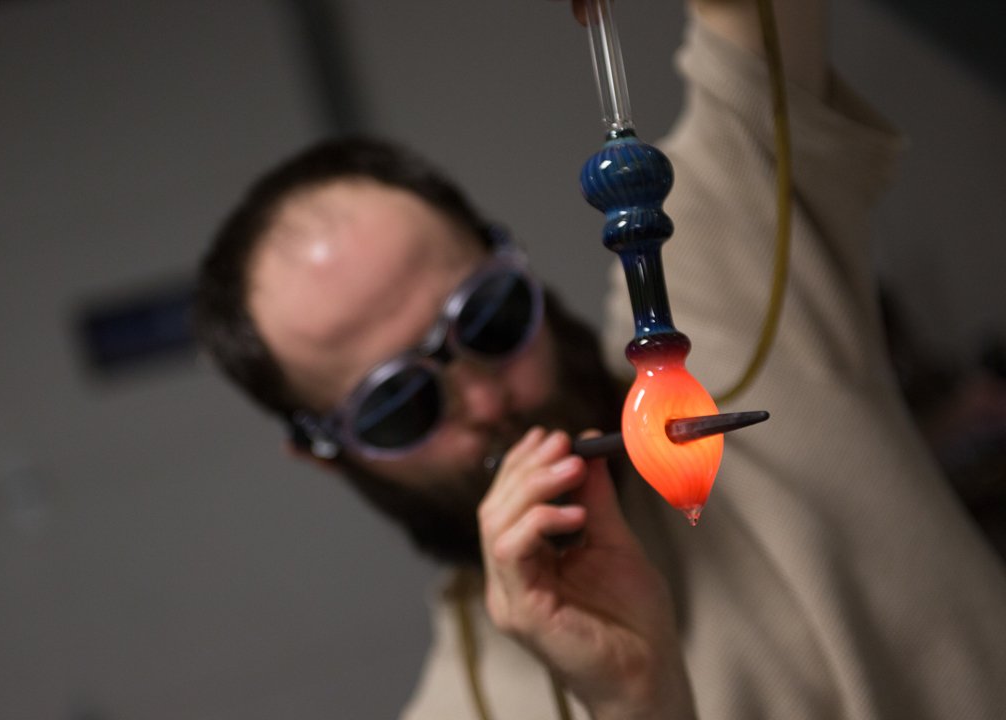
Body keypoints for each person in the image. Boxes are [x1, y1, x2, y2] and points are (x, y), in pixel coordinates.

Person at [193, 0, 1006, 718]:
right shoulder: (460, 709)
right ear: (330, 456)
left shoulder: (727, 298)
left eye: (489, 318)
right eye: (400, 403)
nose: (484, 401)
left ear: (516, 263)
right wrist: (633, 704)